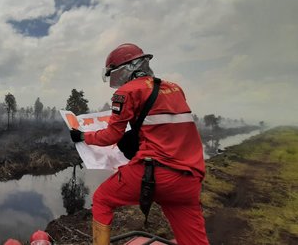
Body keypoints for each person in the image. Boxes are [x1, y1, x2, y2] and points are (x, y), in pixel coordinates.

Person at [69, 43, 209, 245]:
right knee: (194, 240)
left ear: (125, 68)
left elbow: (110, 136)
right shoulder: (175, 88)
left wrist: (83, 137)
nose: (112, 80)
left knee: (102, 199)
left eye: (112, 73)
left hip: (155, 173)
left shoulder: (127, 92)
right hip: (189, 177)